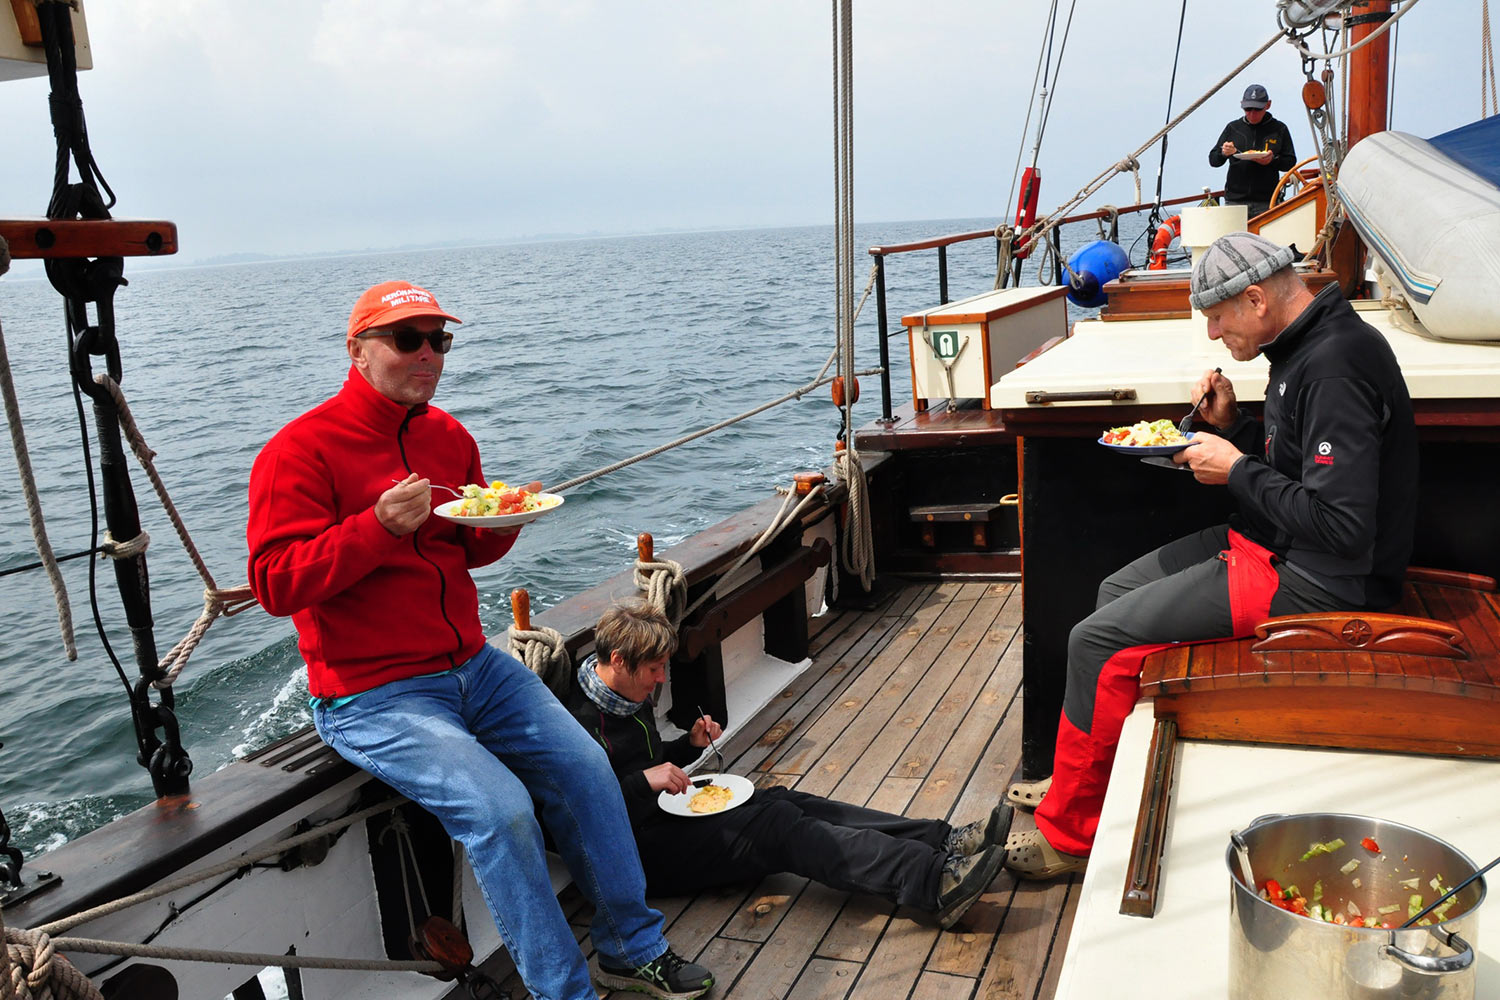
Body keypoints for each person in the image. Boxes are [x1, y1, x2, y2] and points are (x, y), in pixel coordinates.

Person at [246, 281, 713, 1000]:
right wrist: (375, 528)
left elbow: (464, 553)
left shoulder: (448, 437)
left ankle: (630, 947)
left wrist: (505, 525)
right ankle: (564, 992)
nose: (428, 353)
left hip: (472, 665)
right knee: (500, 811)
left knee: (588, 769)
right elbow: (276, 583)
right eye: (409, 339)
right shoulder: (299, 451)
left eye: (440, 340)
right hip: (371, 695)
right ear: (358, 351)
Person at [1002, 233, 1419, 878]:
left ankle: (1071, 837)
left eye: (1218, 318)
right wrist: (1235, 431)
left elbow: (1342, 526)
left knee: (1095, 642)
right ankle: (1090, 778)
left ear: (1255, 299)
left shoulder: (1336, 365)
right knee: (1114, 593)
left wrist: (1235, 470)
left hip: (1322, 581)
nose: (1214, 333)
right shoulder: (1303, 347)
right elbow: (1299, 472)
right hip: (1277, 544)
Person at [561, 599, 1013, 930]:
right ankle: (932, 883)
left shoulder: (627, 695)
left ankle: (943, 840)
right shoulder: (573, 725)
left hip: (664, 822)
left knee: (780, 799)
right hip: (637, 859)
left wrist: (685, 747)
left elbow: (650, 763)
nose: (662, 680)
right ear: (618, 661)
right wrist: (644, 782)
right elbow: (576, 815)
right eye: (655, 669)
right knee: (777, 826)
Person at [1207, 84, 1297, 218]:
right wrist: (1223, 153)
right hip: (1235, 202)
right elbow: (1213, 160)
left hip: (1267, 201)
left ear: (1268, 105)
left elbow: (1290, 161)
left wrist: (1272, 160)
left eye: (1257, 109)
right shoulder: (1233, 128)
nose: (1252, 114)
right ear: (1242, 105)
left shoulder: (1279, 129)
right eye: (1248, 109)